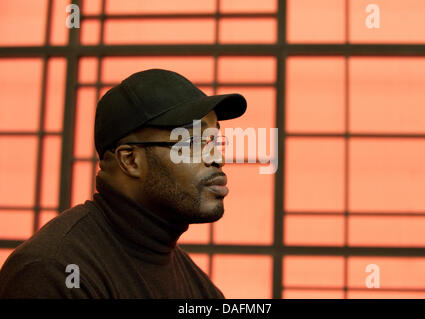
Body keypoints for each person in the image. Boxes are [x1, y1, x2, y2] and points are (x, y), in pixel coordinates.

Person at [0, 69, 247, 298]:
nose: (217, 158)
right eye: (192, 142)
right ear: (130, 160)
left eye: (214, 141)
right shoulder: (55, 271)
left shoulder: (195, 283)